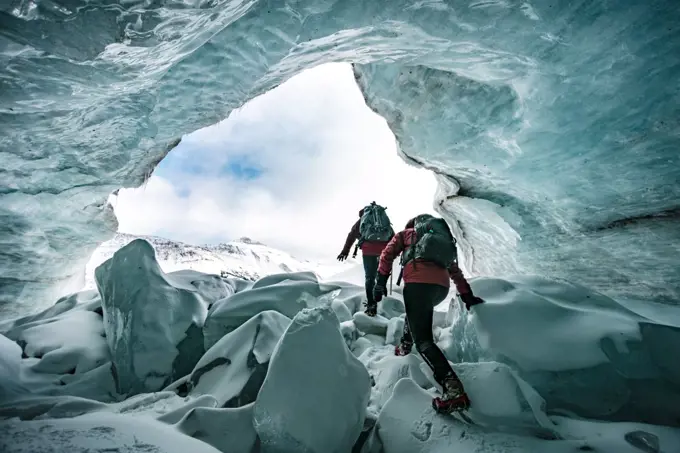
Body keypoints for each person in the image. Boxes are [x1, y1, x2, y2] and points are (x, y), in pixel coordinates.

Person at [372, 214, 484, 414]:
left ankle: (453, 389)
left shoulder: (406, 235)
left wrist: (380, 283)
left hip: (417, 283)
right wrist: (467, 295)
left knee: (423, 341)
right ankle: (405, 345)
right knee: (416, 313)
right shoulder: (439, 241)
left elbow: (387, 255)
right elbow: (454, 270)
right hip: (440, 288)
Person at [337, 202, 394, 317]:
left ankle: (372, 305)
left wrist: (345, 251)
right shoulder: (383, 220)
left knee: (370, 277)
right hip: (384, 250)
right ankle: (381, 290)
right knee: (381, 273)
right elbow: (393, 236)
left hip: (369, 251)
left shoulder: (362, 220)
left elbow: (352, 235)